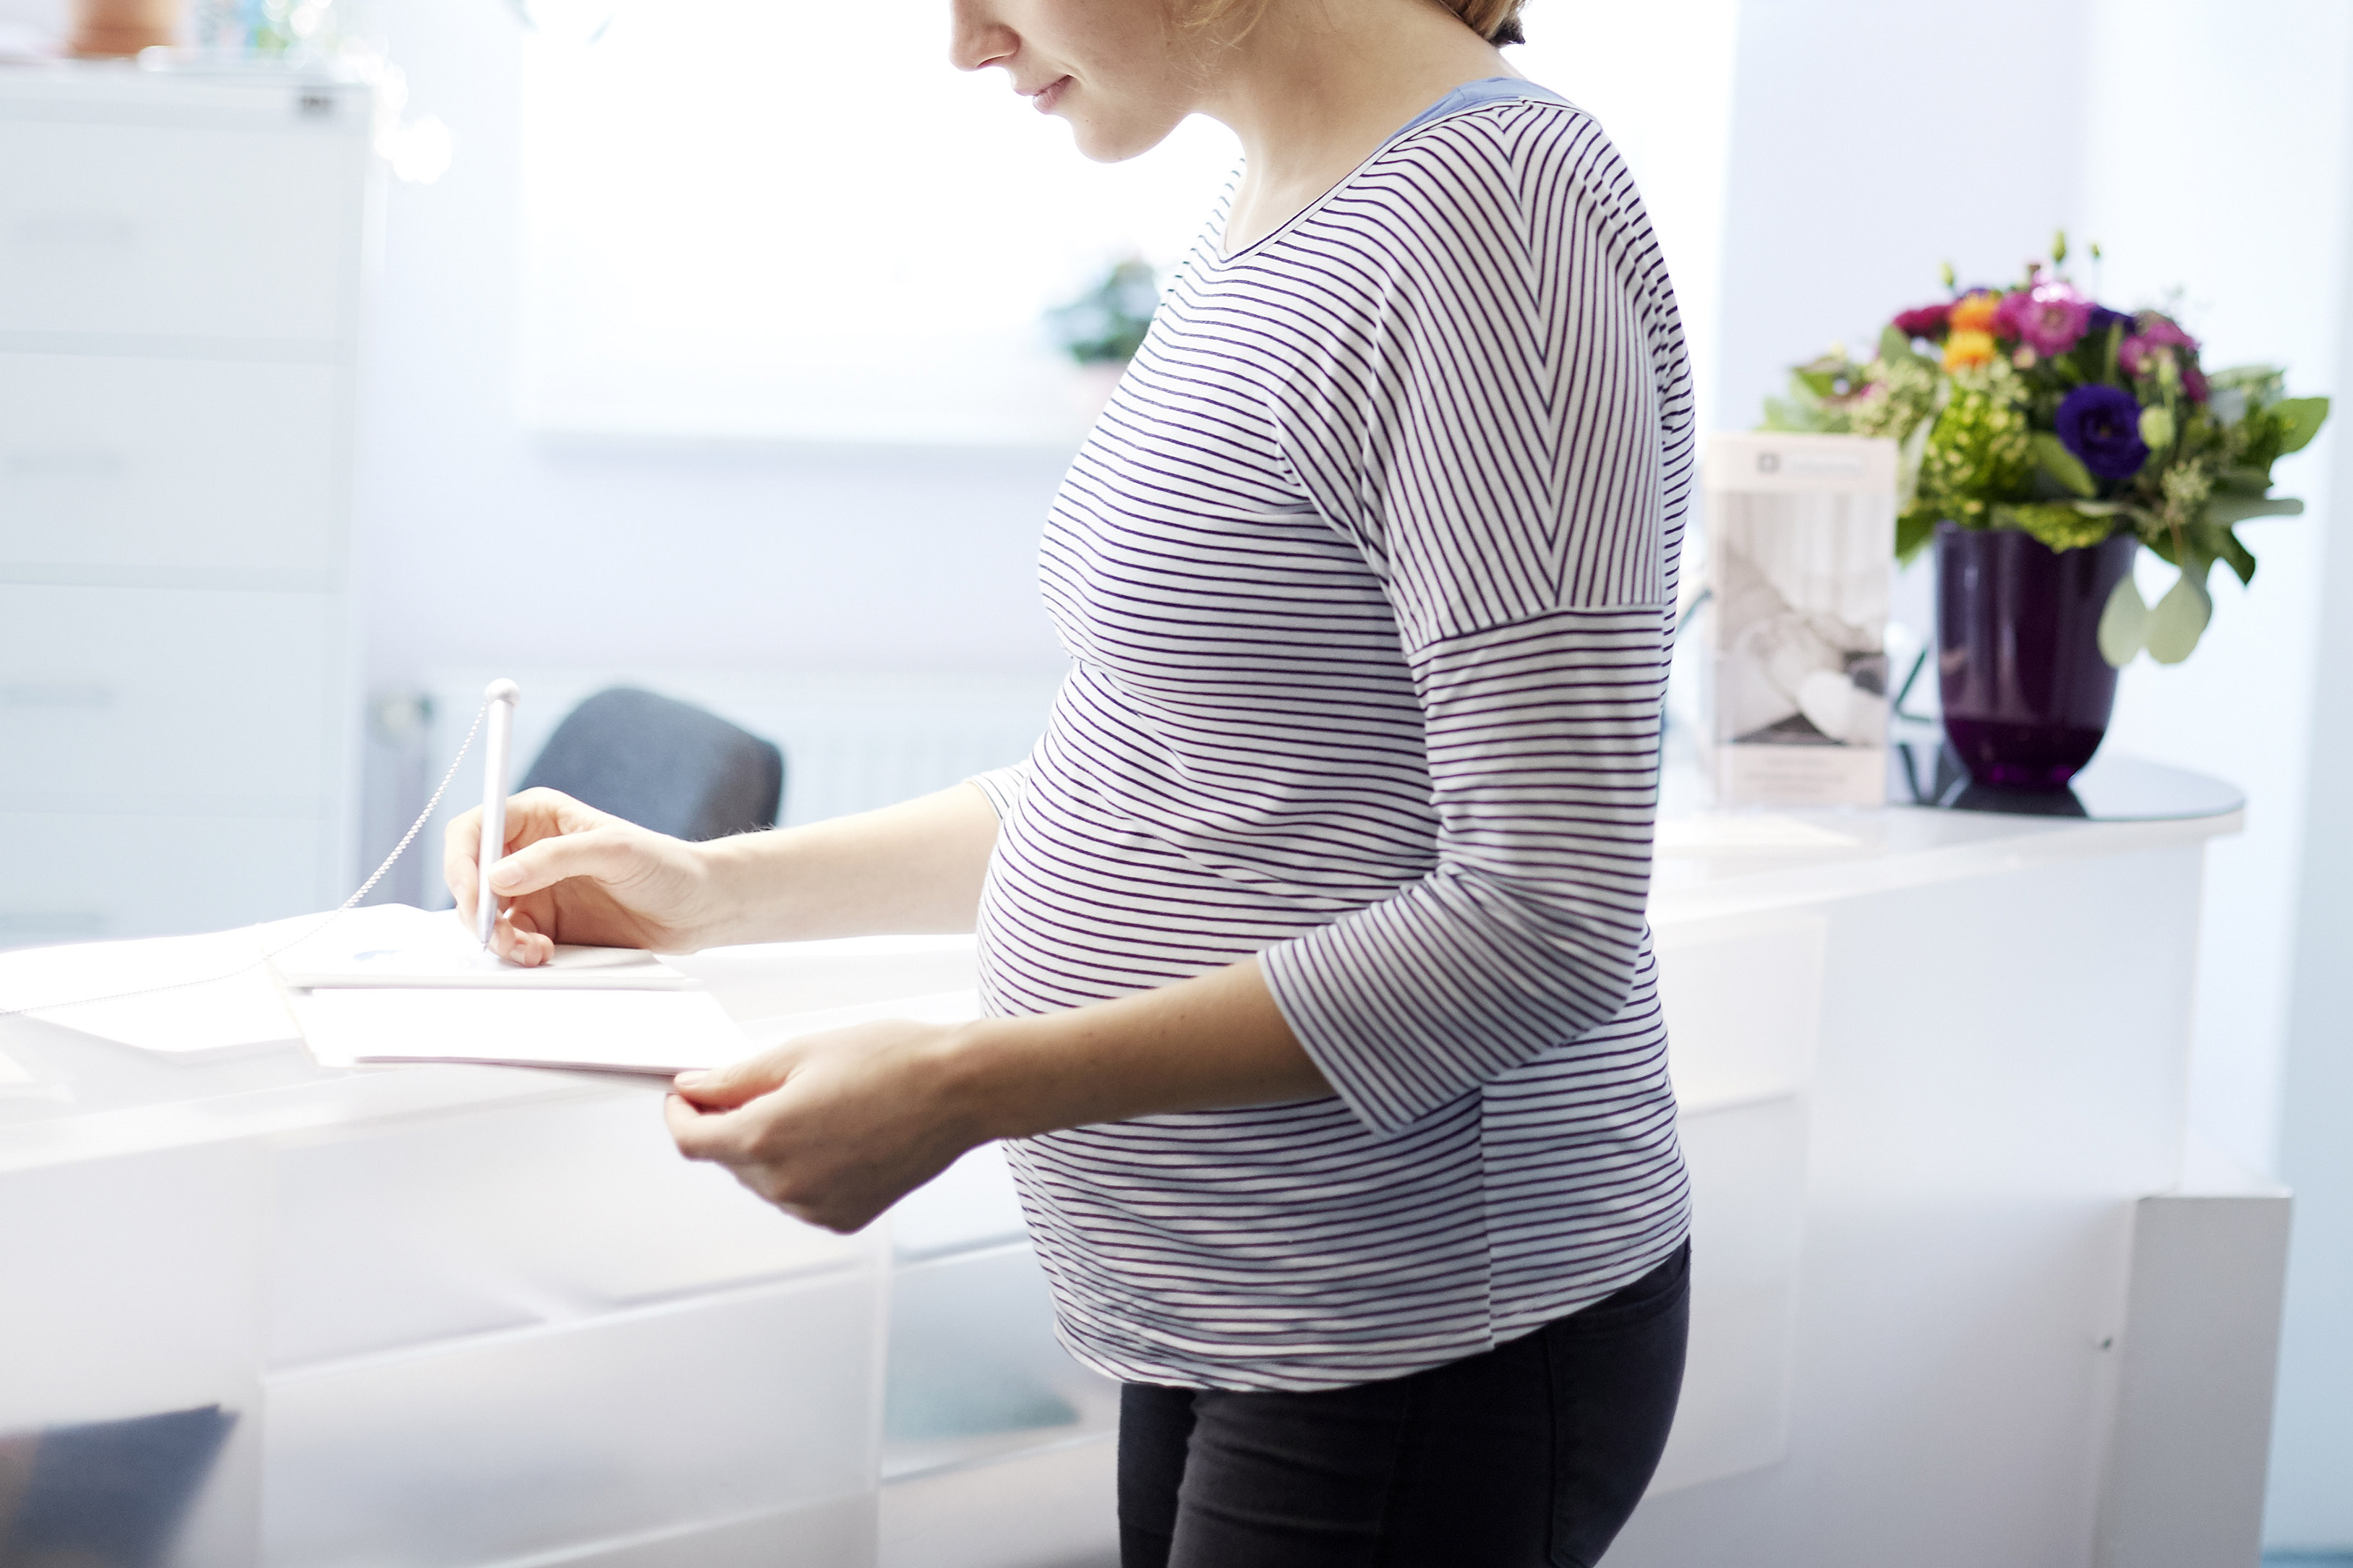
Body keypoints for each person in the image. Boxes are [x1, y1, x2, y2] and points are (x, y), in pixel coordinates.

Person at [445, 0, 1694, 1561]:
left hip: (1416, 1321)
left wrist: (973, 1081)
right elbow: (1170, 778)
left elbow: (1542, 918)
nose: (964, 43)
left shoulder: (1489, 222)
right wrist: (712, 892)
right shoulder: (1278, 196)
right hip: (1224, 1294)